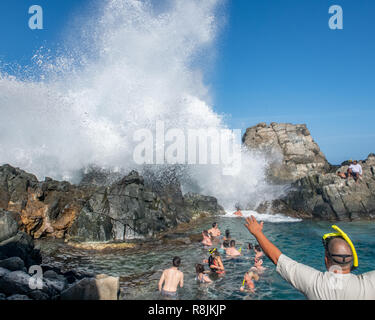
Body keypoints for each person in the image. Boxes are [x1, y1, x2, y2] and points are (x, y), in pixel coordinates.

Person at [244, 216, 375, 300]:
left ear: (326, 260)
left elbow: (278, 259)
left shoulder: (315, 283)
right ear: (352, 260)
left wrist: (257, 233)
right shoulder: (369, 285)